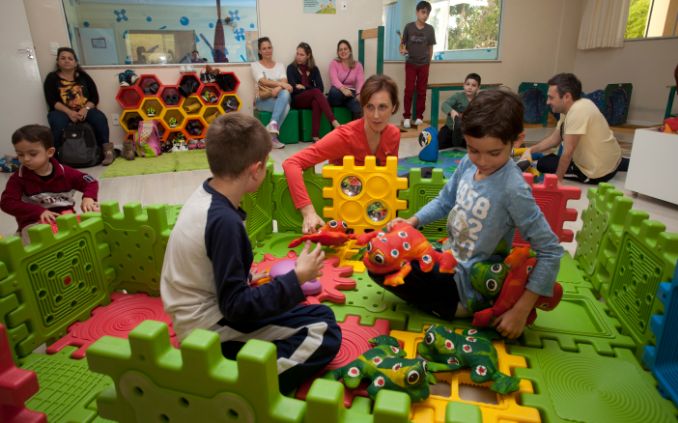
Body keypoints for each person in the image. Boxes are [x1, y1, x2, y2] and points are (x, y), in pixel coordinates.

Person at [160, 113, 341, 394]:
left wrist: (248, 279)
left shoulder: (208, 194)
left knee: (316, 313)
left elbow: (213, 269)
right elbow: (237, 308)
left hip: (205, 310)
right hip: (208, 329)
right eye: (267, 165)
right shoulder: (225, 223)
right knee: (324, 331)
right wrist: (298, 277)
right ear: (255, 170)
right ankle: (249, 387)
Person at [374, 90, 562, 339]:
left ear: (516, 140)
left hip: (468, 286)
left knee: (382, 268)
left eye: (493, 153)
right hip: (447, 259)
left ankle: (467, 308)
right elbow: (444, 201)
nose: (481, 161)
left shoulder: (513, 189)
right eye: (474, 150)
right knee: (378, 257)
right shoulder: (467, 163)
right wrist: (412, 222)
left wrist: (520, 310)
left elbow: (550, 251)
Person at [283, 75, 401, 234]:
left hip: (373, 213)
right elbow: (291, 163)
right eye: (369, 107)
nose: (376, 115)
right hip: (343, 216)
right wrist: (308, 212)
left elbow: (388, 178)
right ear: (362, 107)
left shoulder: (393, 134)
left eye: (382, 107)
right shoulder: (344, 136)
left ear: (394, 107)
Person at [0, 124, 99, 243]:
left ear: (50, 152)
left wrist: (88, 197)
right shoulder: (18, 179)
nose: (25, 159)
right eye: (20, 154)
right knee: (38, 247)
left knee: (90, 231)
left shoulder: (65, 172)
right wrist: (38, 212)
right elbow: (7, 203)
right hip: (34, 223)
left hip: (65, 219)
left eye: (32, 154)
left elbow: (90, 181)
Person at [522, 73, 626, 184]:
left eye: (551, 98)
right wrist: (530, 150)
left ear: (567, 97)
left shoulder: (577, 111)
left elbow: (567, 153)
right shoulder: (577, 105)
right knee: (551, 158)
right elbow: (554, 139)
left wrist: (556, 181)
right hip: (614, 160)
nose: (547, 102)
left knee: (544, 164)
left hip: (597, 173)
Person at [43, 47, 115, 166]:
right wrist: (69, 112)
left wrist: (85, 109)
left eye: (70, 58)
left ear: (75, 63)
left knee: (99, 118)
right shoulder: (52, 78)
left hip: (85, 109)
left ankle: (107, 151)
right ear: (58, 62)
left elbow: (94, 98)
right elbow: (52, 101)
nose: (66, 60)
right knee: (57, 122)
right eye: (63, 58)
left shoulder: (84, 77)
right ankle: (54, 158)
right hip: (62, 111)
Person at [287, 42, 340, 141]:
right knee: (315, 91)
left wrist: (304, 88)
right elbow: (294, 88)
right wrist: (308, 88)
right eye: (297, 54)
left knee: (316, 101)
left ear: (308, 55)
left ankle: (315, 136)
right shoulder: (291, 68)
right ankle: (333, 121)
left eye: (301, 55)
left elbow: (321, 88)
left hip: (310, 98)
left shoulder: (314, 69)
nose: (298, 57)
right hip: (297, 100)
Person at [251, 37, 293, 149]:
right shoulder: (255, 65)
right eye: (264, 48)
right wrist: (281, 85)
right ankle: (272, 137)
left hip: (279, 97)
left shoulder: (280, 65)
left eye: (269, 47)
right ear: (259, 51)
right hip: (262, 100)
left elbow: (284, 80)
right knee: (286, 106)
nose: (267, 50)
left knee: (285, 95)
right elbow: (262, 81)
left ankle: (273, 125)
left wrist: (279, 88)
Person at [400, 1, 436, 129]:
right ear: (417, 12)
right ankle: (406, 117)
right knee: (409, 91)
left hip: (424, 65)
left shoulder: (430, 29)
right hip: (410, 64)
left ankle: (420, 117)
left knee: (422, 91)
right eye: (423, 12)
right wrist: (402, 50)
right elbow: (402, 45)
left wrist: (429, 63)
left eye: (427, 13)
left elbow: (430, 48)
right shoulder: (408, 27)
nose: (425, 15)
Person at [439, 73, 481, 149]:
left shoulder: (479, 100)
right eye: (467, 84)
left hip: (466, 132)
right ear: (463, 85)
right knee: (440, 145)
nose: (470, 87)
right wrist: (452, 112)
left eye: (473, 85)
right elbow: (444, 105)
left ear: (478, 88)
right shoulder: (458, 96)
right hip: (450, 129)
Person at [328, 40, 365, 120]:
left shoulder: (358, 65)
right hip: (337, 95)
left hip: (350, 95)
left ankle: (356, 130)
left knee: (358, 107)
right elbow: (334, 79)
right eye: (340, 50)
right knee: (334, 91)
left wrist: (359, 93)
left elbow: (360, 81)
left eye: (345, 49)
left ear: (350, 50)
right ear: (338, 52)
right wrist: (343, 89)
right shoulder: (334, 63)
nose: (343, 51)